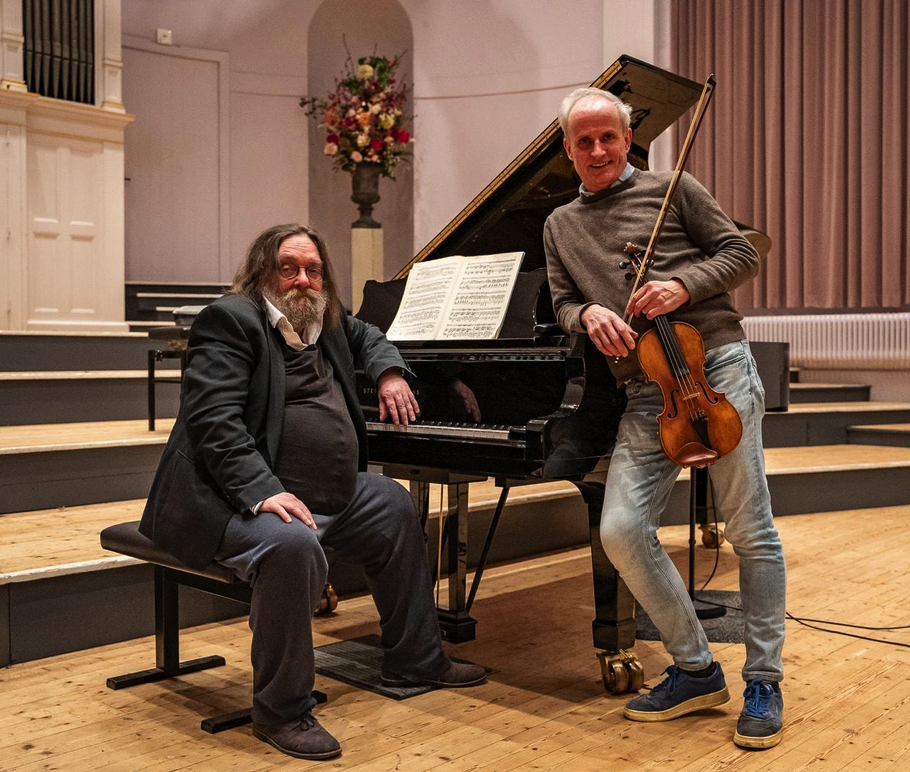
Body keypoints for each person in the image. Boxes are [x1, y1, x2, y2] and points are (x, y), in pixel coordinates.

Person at [139, 223, 486, 761]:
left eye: (314, 269)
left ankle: (417, 658)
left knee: (391, 502)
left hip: (324, 495)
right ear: (264, 274)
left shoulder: (324, 321)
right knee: (290, 544)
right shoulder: (231, 320)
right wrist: (262, 491)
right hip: (228, 498)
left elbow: (367, 335)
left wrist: (390, 372)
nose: (303, 280)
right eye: (289, 268)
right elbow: (214, 423)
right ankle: (281, 710)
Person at [543, 88, 787, 750]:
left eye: (608, 138)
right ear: (566, 149)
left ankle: (764, 678)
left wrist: (685, 286)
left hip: (717, 370)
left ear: (627, 140)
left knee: (751, 529)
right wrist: (585, 316)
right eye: (583, 141)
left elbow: (742, 253)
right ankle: (696, 667)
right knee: (621, 529)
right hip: (646, 390)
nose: (596, 150)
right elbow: (564, 300)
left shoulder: (675, 188)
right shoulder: (560, 224)